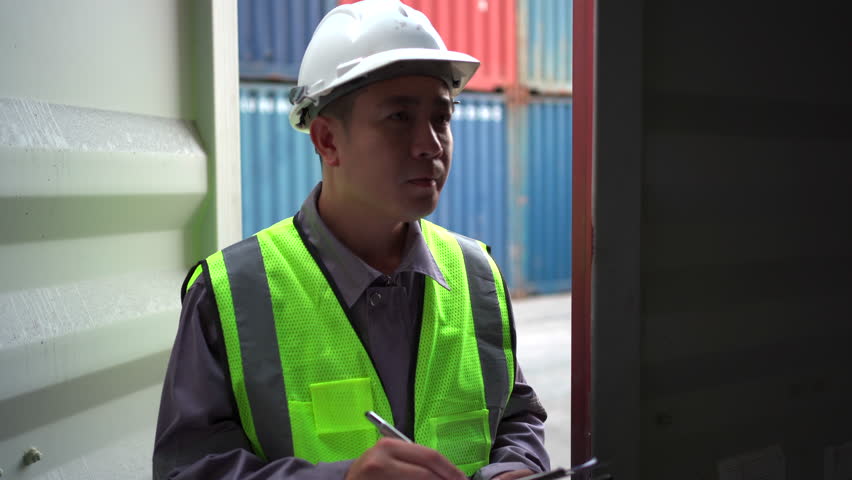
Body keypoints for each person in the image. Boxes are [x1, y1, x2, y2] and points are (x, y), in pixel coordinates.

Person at [153, 1, 549, 479]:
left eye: (442, 118)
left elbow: (515, 417)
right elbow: (189, 470)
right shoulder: (233, 294)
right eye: (399, 117)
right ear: (327, 141)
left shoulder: (477, 276)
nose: (431, 144)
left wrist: (513, 469)